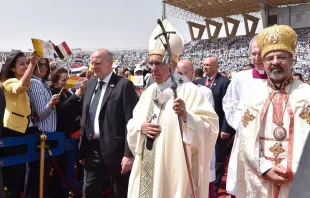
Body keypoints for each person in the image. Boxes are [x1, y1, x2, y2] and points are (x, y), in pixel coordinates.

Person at [127, 19, 219, 198]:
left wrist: (187, 117)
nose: (153, 68)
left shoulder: (189, 91)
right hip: (147, 161)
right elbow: (133, 122)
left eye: (158, 63)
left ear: (173, 65)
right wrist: (140, 127)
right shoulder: (149, 92)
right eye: (151, 63)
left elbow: (210, 127)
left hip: (173, 168)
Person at [236, 25, 310, 197]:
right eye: (269, 58)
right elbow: (245, 140)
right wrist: (264, 167)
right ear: (264, 62)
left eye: (281, 57)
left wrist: (290, 167)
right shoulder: (254, 98)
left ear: (293, 60)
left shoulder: (307, 95)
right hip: (262, 177)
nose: (275, 61)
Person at [79, 49, 138, 198]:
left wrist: (128, 154)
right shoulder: (90, 84)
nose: (93, 67)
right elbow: (87, 116)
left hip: (117, 151)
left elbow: (130, 121)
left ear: (110, 64)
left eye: (97, 63)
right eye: (92, 63)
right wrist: (83, 147)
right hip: (92, 150)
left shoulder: (124, 85)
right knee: (89, 190)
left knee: (121, 191)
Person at [223, 35, 267, 196]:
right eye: (254, 53)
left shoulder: (279, 78)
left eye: (261, 53)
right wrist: (245, 119)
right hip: (246, 135)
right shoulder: (240, 78)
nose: (257, 57)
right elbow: (229, 103)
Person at [176, 59, 216, 198]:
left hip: (197, 142)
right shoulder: (172, 92)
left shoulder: (204, 92)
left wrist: (188, 118)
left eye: (184, 73)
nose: (180, 77)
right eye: (178, 73)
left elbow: (208, 123)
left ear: (192, 73)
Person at [0, 51, 37, 198]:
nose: (25, 66)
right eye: (22, 64)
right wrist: (32, 65)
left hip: (23, 130)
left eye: (26, 63)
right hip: (12, 130)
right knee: (13, 174)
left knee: (21, 171)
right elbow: (20, 87)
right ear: (12, 68)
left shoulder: (23, 80)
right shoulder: (8, 82)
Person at [195, 56, 234, 193]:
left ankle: (215, 187)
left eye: (208, 65)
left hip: (218, 128)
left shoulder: (224, 83)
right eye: (204, 65)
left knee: (218, 158)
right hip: (203, 128)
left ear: (216, 67)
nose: (205, 67)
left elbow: (227, 108)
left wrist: (225, 128)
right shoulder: (198, 82)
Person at [25, 57, 60, 198]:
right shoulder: (34, 83)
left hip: (45, 136)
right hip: (41, 135)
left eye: (46, 64)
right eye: (40, 64)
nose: (44, 67)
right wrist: (51, 104)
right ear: (32, 65)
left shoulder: (40, 83)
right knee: (37, 176)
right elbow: (40, 114)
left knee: (40, 175)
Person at [49, 68, 85, 198]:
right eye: (63, 80)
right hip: (61, 137)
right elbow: (62, 112)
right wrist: (76, 96)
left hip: (72, 135)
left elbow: (76, 109)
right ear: (55, 81)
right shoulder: (53, 93)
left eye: (67, 79)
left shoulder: (68, 94)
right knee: (62, 167)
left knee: (70, 166)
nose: (66, 82)